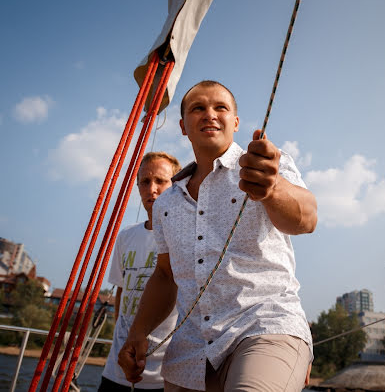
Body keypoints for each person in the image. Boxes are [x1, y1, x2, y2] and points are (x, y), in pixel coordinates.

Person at [119, 80, 317, 391]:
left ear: (235, 122)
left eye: (220, 107)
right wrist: (137, 333)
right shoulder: (166, 204)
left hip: (265, 326)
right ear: (183, 126)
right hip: (190, 351)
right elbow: (165, 274)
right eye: (198, 108)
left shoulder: (267, 166)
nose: (210, 114)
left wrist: (273, 188)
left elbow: (306, 219)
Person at [99, 152, 181, 392]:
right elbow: (121, 292)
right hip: (117, 371)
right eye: (144, 182)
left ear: (175, 187)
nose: (152, 189)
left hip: (162, 375)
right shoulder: (126, 237)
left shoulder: (186, 238)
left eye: (160, 181)